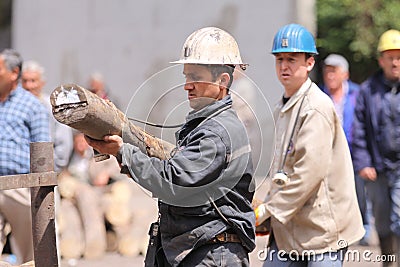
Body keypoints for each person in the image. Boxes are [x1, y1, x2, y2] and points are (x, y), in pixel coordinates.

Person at [85, 27, 256, 266]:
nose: (187, 85)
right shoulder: (205, 125)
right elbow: (177, 164)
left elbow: (173, 180)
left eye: (196, 77)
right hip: (198, 249)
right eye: (186, 76)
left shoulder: (217, 132)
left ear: (222, 80)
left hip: (211, 254)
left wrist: (122, 151)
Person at [254, 24, 364, 266]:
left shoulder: (315, 107)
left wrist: (266, 211)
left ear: (309, 64)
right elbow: (281, 171)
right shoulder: (283, 107)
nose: (284, 66)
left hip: (322, 231)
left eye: (292, 59)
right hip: (290, 228)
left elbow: (307, 174)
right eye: (279, 59)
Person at [352, 29, 400, 263]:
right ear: (381, 60)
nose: (395, 62)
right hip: (377, 169)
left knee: (399, 217)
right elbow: (358, 130)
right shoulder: (367, 91)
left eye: (399, 57)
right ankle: (389, 261)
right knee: (382, 221)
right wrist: (363, 163)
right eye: (390, 57)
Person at [0, 49, 50, 264]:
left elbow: (43, 153)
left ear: (13, 73)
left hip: (19, 186)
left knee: (30, 255)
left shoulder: (32, 106)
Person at [321, 54, 371, 245]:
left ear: (345, 74)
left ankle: (364, 227)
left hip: (354, 151)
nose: (330, 75)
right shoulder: (319, 94)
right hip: (328, 154)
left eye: (334, 71)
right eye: (327, 71)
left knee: (359, 192)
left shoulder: (358, 94)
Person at [21, 60, 73, 172]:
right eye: (25, 81)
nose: (28, 86)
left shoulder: (52, 106)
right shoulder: (16, 107)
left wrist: (52, 169)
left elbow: (64, 142)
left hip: (47, 170)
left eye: (33, 80)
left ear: (42, 83)